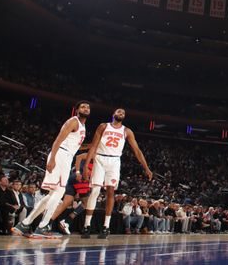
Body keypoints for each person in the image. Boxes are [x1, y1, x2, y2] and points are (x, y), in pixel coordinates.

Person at [13, 100, 89, 238]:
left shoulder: (82, 126)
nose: (86, 108)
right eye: (83, 106)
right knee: (59, 192)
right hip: (61, 154)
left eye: (88, 107)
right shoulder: (73, 121)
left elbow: (76, 145)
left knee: (52, 194)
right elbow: (58, 140)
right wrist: (53, 158)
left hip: (67, 155)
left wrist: (92, 146)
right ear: (77, 109)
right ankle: (42, 226)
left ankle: (24, 224)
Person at [83, 108, 152, 238]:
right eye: (119, 111)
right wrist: (86, 165)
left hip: (114, 161)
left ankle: (106, 226)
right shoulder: (103, 126)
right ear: (113, 114)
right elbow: (93, 146)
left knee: (110, 192)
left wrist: (146, 168)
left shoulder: (127, 131)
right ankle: (87, 225)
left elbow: (137, 151)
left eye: (123, 113)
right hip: (100, 158)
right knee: (95, 191)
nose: (121, 113)